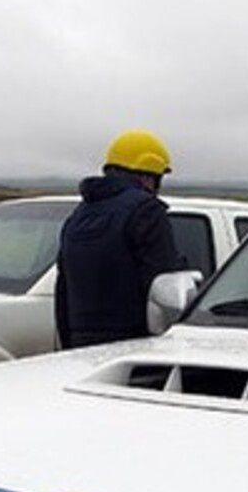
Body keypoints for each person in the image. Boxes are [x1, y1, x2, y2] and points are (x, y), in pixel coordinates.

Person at [54, 129, 184, 349]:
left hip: (81, 347)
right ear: (147, 175)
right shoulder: (146, 211)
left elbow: (63, 292)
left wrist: (69, 347)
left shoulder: (78, 216)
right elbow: (165, 284)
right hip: (136, 346)